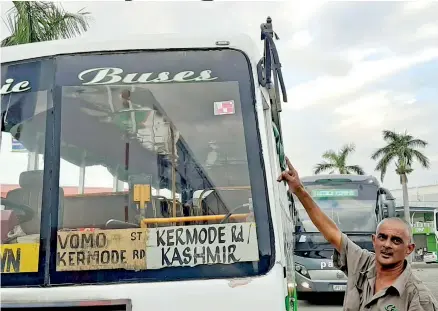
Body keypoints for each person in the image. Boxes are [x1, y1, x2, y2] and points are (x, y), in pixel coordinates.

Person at [278, 158, 438, 311]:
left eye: (396, 241)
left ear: (409, 249)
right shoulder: (363, 264)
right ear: (374, 241)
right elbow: (331, 232)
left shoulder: (418, 297)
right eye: (382, 237)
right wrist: (299, 190)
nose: (387, 245)